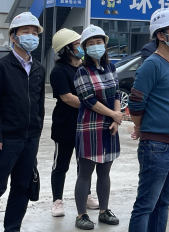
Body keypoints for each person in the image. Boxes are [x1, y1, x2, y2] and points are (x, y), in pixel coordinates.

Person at [128, 9, 169, 232]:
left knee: (163, 203)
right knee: (146, 204)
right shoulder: (152, 64)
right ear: (161, 35)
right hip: (156, 146)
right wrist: (138, 125)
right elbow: (136, 102)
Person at [0, 12, 45, 232]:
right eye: (25, 32)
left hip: (29, 139)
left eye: (34, 33)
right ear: (13, 36)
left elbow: (39, 105)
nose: (31, 36)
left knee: (21, 188)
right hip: (5, 140)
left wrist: (36, 133)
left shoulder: (39, 68)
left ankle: (13, 228)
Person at [73, 25, 122, 230]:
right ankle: (81, 214)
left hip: (109, 126)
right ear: (85, 48)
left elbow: (117, 93)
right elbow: (88, 100)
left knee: (105, 171)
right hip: (90, 127)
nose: (95, 46)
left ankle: (104, 210)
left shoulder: (110, 68)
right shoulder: (82, 71)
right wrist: (113, 114)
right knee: (85, 172)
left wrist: (116, 119)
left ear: (104, 44)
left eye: (98, 42)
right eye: (91, 43)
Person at [49, 28, 99, 217]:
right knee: (61, 164)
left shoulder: (87, 67)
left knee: (84, 164)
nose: (82, 47)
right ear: (66, 49)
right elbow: (67, 98)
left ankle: (85, 194)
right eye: (77, 44)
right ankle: (57, 200)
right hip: (65, 124)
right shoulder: (59, 71)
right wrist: (94, 105)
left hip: (86, 123)